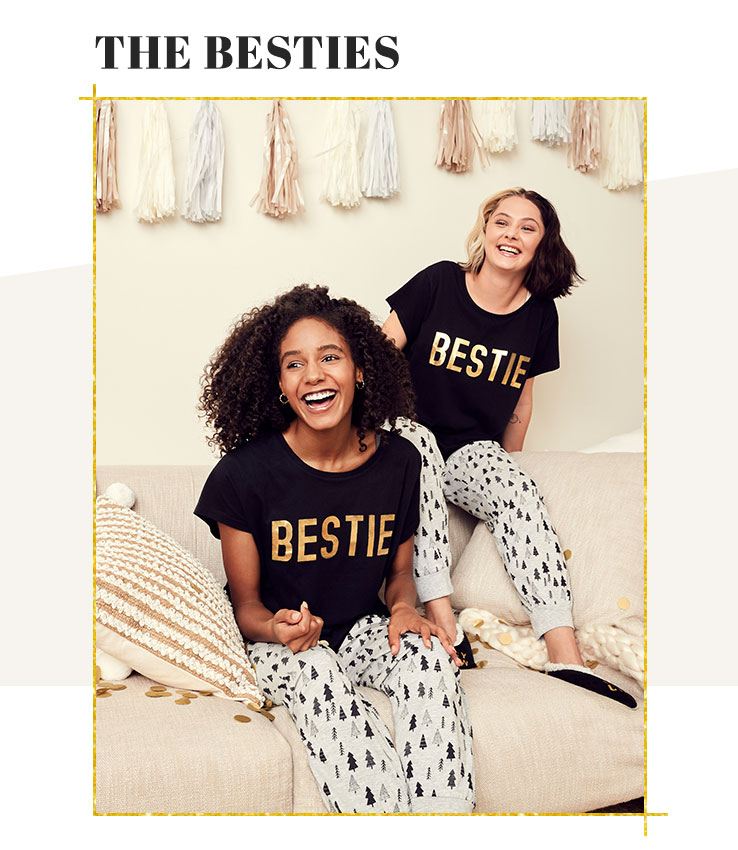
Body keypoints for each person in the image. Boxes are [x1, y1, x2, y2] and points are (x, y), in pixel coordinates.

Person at [194, 285, 475, 813]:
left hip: (360, 630)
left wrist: (402, 609)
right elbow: (247, 607)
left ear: (361, 369)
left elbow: (398, 572)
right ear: (279, 385)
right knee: (318, 670)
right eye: (294, 364)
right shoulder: (243, 476)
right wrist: (279, 628)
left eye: (330, 357)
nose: (314, 375)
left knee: (430, 656)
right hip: (284, 645)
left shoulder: (400, 461)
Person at [382, 187, 636, 708]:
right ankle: (443, 618)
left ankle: (564, 652)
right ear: (485, 229)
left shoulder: (540, 315)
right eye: (502, 222)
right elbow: (378, 357)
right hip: (405, 433)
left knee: (517, 489)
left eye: (527, 227)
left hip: (469, 447)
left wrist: (505, 466)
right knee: (420, 445)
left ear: (542, 244)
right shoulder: (439, 281)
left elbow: (521, 403)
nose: (511, 234)